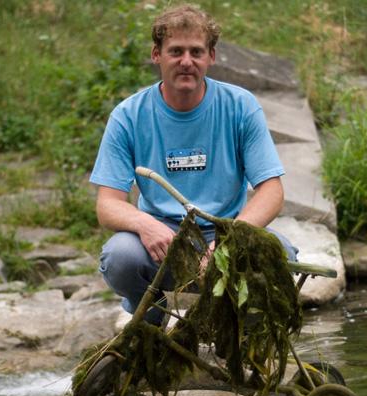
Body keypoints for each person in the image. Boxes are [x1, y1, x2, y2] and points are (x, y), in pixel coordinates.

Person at [90, 4, 296, 325]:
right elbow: (107, 204)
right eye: (176, 51)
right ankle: (152, 325)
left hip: (226, 232)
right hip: (162, 246)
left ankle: (241, 334)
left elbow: (272, 191)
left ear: (211, 56)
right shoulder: (128, 116)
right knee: (120, 258)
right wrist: (145, 225)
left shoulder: (240, 107)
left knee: (281, 255)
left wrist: (229, 241)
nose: (186, 61)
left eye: (196, 52)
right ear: (157, 55)